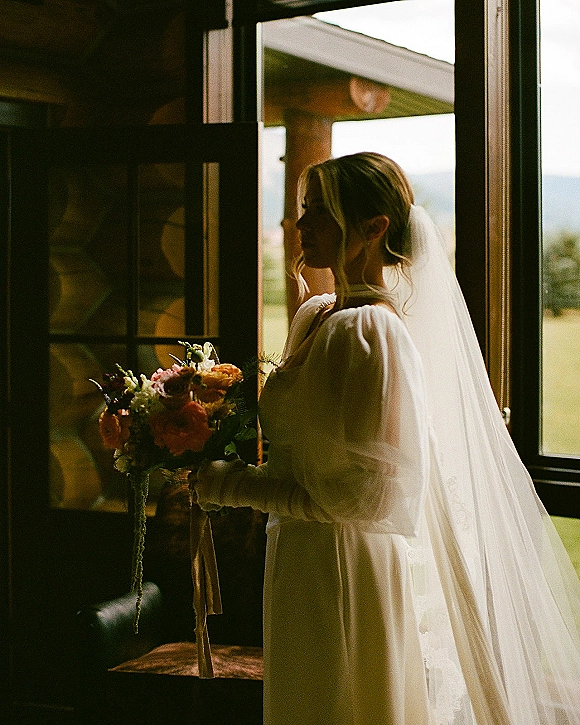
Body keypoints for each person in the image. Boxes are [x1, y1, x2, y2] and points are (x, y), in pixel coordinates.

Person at [195, 152, 580, 724]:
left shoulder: (372, 331)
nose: (300, 226)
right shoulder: (317, 315)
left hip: (348, 566)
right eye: (303, 209)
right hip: (298, 557)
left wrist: (234, 487)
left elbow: (370, 500)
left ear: (373, 228)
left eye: (320, 212)